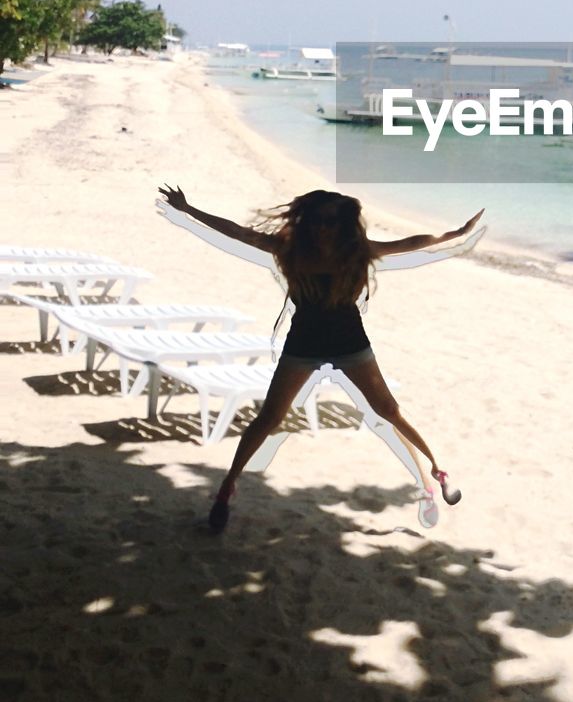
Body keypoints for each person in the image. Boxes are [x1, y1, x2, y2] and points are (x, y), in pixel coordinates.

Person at [157, 184, 484, 533]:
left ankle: (437, 469)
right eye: (317, 220)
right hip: (304, 344)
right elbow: (238, 233)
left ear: (343, 223)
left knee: (388, 410)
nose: (323, 227)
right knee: (269, 418)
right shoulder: (288, 249)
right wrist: (189, 210)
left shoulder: (357, 252)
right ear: (307, 220)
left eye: (331, 220)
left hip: (350, 343)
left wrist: (454, 234)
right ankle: (227, 487)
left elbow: (408, 244)